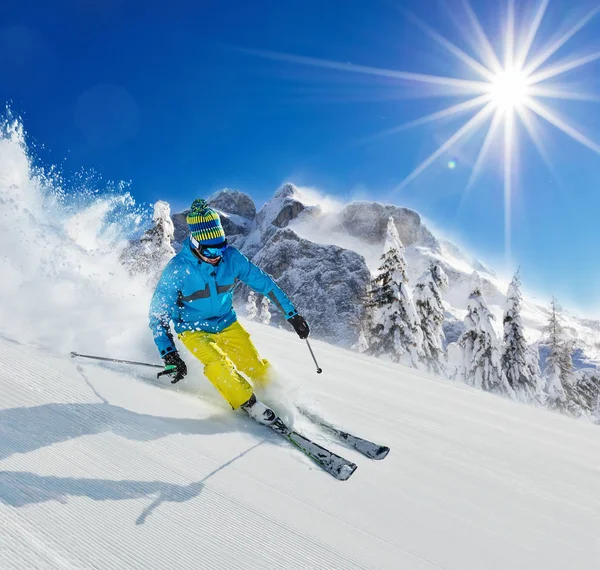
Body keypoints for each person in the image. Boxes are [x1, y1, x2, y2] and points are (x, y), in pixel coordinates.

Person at [149, 198, 310, 424]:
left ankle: (276, 394)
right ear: (195, 244)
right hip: (193, 329)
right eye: (212, 249)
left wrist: (292, 315)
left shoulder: (231, 258)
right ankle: (249, 403)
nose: (217, 254)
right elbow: (158, 316)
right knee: (219, 365)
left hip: (226, 323)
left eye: (221, 245)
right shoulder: (178, 270)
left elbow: (266, 284)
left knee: (253, 364)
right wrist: (169, 354)